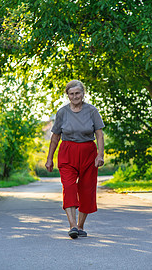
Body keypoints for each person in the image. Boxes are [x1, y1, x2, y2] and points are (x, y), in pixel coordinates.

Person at [45, 80, 104, 239]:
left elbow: (99, 134)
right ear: (67, 95)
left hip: (88, 153)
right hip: (67, 152)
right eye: (71, 94)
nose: (75, 96)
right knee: (69, 187)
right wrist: (49, 158)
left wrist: (100, 154)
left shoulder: (92, 111)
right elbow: (55, 137)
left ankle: (80, 226)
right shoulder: (62, 112)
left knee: (86, 189)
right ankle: (72, 226)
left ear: (83, 94)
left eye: (77, 93)